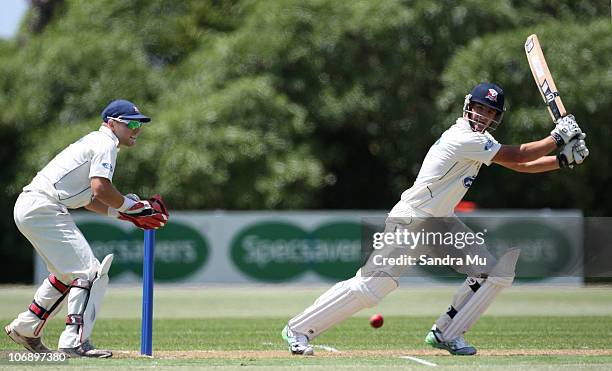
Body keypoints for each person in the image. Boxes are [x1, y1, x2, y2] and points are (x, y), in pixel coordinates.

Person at [282, 82, 589, 356]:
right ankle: (297, 329)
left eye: (489, 112)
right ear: (468, 107)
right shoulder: (462, 137)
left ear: (496, 118)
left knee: (493, 273)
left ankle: (447, 333)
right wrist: (557, 137)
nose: (482, 115)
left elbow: (520, 165)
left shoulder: (481, 144)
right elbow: (520, 155)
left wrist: (562, 159)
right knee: (372, 288)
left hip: (441, 223)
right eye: (479, 108)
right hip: (411, 219)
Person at [5, 100, 169, 358]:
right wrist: (135, 208)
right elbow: (100, 188)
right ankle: (74, 342)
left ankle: (27, 327)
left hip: (34, 206)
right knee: (90, 273)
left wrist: (123, 213)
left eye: (140, 124)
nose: (137, 130)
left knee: (66, 276)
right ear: (112, 123)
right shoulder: (106, 144)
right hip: (43, 206)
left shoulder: (96, 141)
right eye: (132, 124)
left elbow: (90, 200)